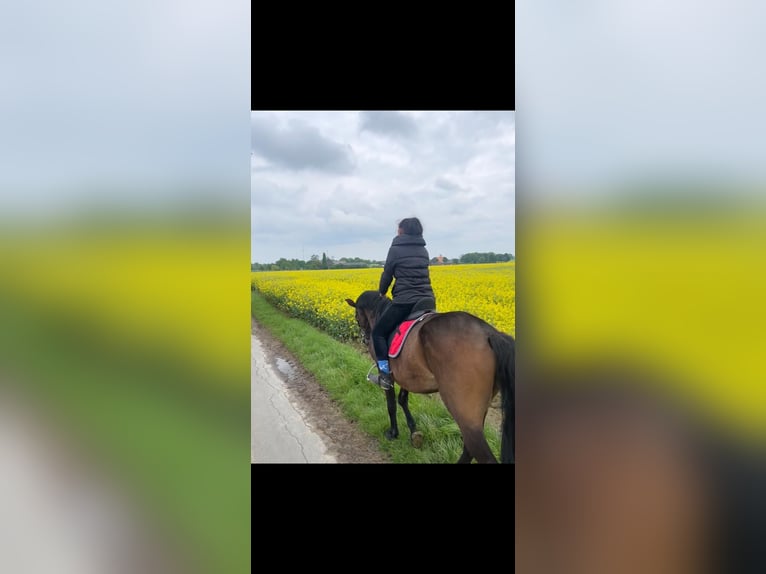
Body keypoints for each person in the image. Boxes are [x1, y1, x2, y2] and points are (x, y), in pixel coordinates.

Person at [368, 217, 436, 390]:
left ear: (402, 231)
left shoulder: (395, 249)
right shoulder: (423, 250)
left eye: (398, 229)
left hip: (405, 302)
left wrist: (382, 291)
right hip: (426, 300)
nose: (397, 231)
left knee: (378, 333)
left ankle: (385, 375)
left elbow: (387, 274)